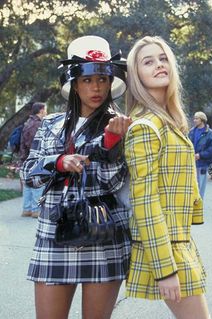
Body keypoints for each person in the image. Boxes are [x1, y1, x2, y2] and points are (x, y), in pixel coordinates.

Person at [20, 35, 131, 319]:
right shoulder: (51, 124)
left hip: (103, 230)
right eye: (87, 80)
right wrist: (58, 162)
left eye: (103, 79)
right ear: (74, 84)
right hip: (54, 230)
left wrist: (110, 143)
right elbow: (28, 174)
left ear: (110, 82)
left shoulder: (119, 124)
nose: (96, 87)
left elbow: (112, 182)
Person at [124, 36, 211, 319]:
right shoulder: (145, 126)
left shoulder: (168, 120)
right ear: (136, 75)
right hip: (167, 250)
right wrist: (165, 269)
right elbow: (145, 203)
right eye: (148, 61)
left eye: (163, 59)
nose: (159, 65)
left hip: (179, 242)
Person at [20, 102, 47, 218]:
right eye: (45, 109)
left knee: (28, 184)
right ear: (41, 110)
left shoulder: (28, 122)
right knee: (37, 183)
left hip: (25, 157)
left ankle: (27, 209)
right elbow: (35, 143)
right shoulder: (37, 124)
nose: (46, 112)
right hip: (34, 157)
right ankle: (36, 210)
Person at [188, 111, 212, 198]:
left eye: (197, 118)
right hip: (191, 163)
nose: (194, 120)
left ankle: (199, 207)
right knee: (191, 186)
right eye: (194, 118)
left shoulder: (210, 133)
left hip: (203, 164)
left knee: (200, 187)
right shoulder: (191, 131)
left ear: (202, 120)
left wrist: (200, 155)